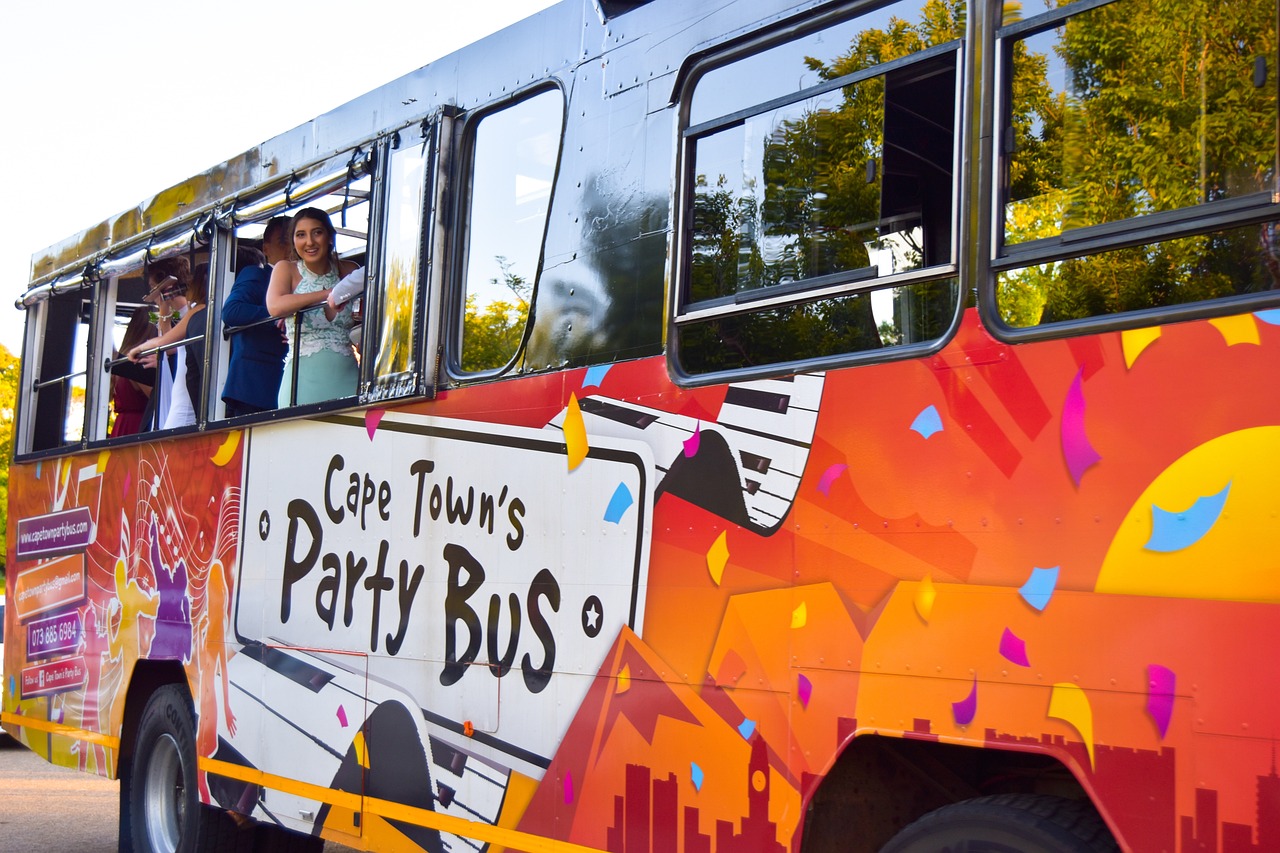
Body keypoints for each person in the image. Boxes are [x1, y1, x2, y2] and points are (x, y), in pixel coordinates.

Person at [266, 208, 360, 405]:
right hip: (301, 384)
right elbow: (274, 306)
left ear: (330, 237)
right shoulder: (287, 269)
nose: (309, 242)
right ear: (293, 241)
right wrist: (330, 294)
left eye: (317, 232)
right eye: (301, 235)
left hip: (348, 378)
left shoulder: (350, 270)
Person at [129, 260, 207, 429]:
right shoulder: (188, 310)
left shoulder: (193, 309)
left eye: (153, 286)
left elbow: (167, 343)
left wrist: (141, 348)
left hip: (186, 379)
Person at [221, 245, 287, 416]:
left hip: (293, 376)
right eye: (284, 240)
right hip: (256, 385)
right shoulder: (257, 274)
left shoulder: (305, 280)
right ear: (267, 247)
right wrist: (279, 316)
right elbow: (231, 311)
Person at [109, 306, 156, 437]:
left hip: (122, 425)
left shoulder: (123, 358)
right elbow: (155, 398)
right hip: (137, 426)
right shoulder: (139, 361)